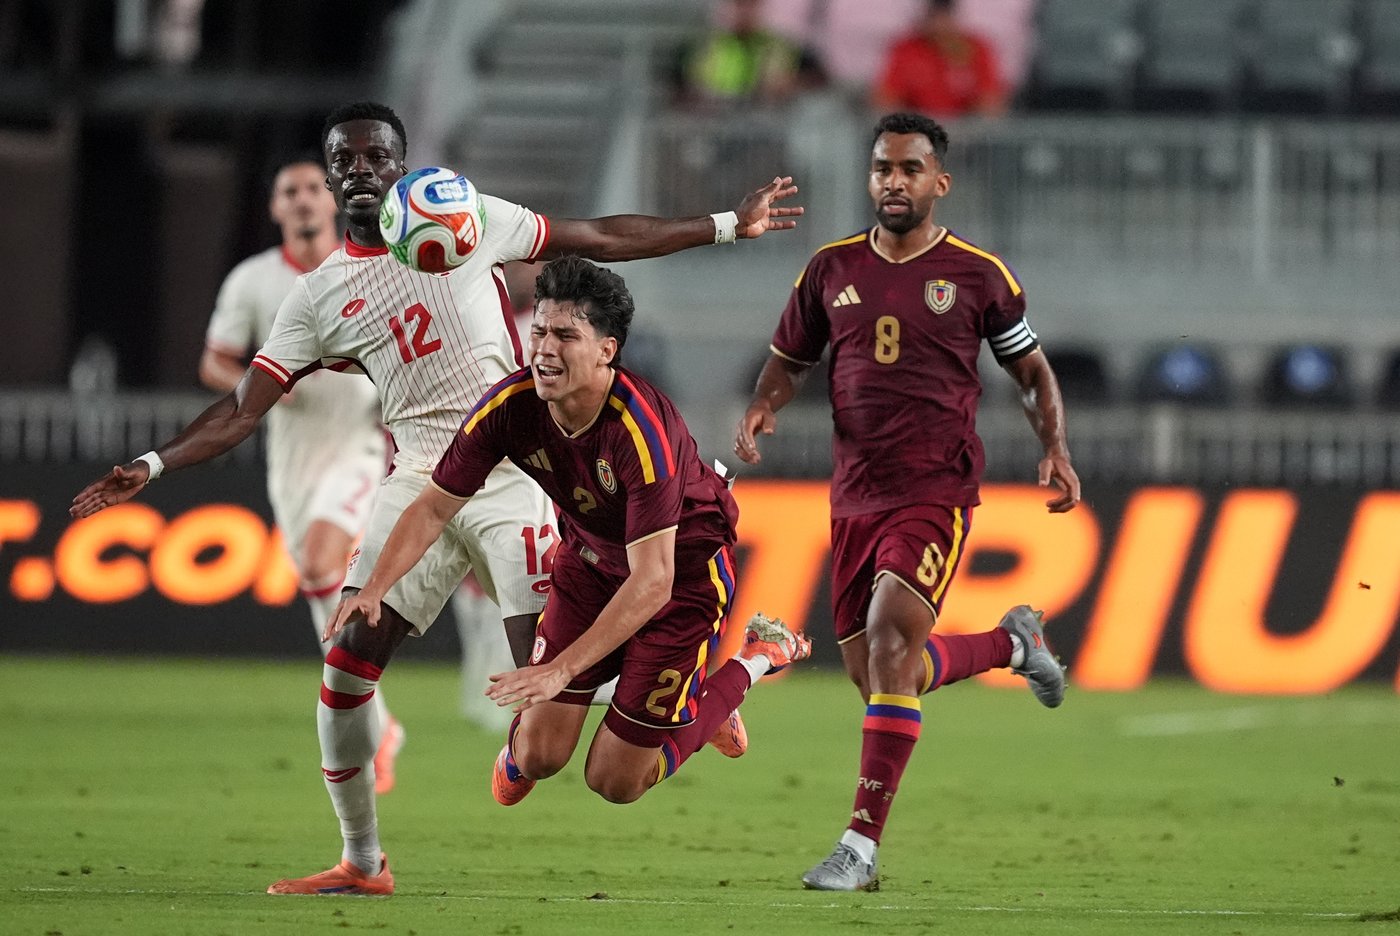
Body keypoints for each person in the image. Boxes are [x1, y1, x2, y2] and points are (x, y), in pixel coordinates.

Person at [70, 100, 803, 897]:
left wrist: (728, 223)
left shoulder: (466, 217)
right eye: (343, 160)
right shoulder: (317, 297)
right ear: (328, 172)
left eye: (375, 158)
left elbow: (596, 237)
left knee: (542, 725)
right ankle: (362, 861)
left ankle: (683, 692)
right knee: (345, 668)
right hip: (421, 477)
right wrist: (153, 463)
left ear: (400, 163)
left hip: (518, 470)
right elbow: (244, 408)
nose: (360, 172)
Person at [330, 255, 812, 817]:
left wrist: (562, 668)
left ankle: (752, 663)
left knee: (614, 780)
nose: (543, 349)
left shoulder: (642, 432)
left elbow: (653, 581)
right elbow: (434, 507)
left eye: (565, 335)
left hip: (681, 583)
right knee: (539, 754)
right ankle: (541, 746)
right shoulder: (509, 409)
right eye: (537, 331)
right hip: (589, 566)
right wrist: (374, 588)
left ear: (607, 350)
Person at [733, 111, 1080, 891]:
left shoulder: (979, 275)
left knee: (891, 641)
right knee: (888, 676)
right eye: (883, 169)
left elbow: (1031, 373)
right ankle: (1011, 645)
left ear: (939, 182)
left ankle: (858, 848)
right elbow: (789, 359)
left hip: (936, 486)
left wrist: (1054, 446)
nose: (894, 182)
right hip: (854, 494)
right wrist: (765, 404)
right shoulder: (829, 269)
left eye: (910, 170)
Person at [198, 153, 408, 793]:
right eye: (289, 190)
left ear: (334, 199)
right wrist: (256, 388)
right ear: (275, 208)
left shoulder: (376, 267)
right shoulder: (253, 280)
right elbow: (215, 361)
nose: (303, 199)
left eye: (314, 187)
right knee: (314, 573)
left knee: (322, 561)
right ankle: (378, 719)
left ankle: (364, 708)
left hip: (358, 444)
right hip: (291, 451)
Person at [871, 0, 1007, 119]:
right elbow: (886, 98)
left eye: (944, 16)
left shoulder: (975, 48)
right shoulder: (906, 49)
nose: (939, 23)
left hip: (967, 135)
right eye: (935, 16)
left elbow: (991, 99)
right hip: (916, 134)